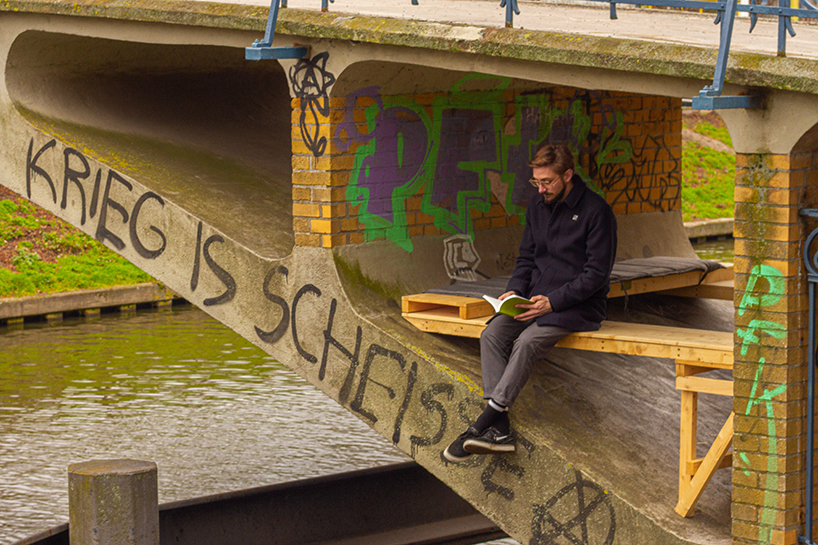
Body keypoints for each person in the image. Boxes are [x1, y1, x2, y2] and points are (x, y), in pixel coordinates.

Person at [444, 143, 617, 462]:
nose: (541, 189)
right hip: (532, 300)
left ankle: (484, 423)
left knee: (525, 343)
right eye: (536, 182)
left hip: (577, 307)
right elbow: (526, 258)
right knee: (492, 334)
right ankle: (501, 431)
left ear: (568, 175)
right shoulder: (538, 206)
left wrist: (552, 303)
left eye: (547, 182)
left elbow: (596, 274)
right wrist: (514, 290)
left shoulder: (596, 211)